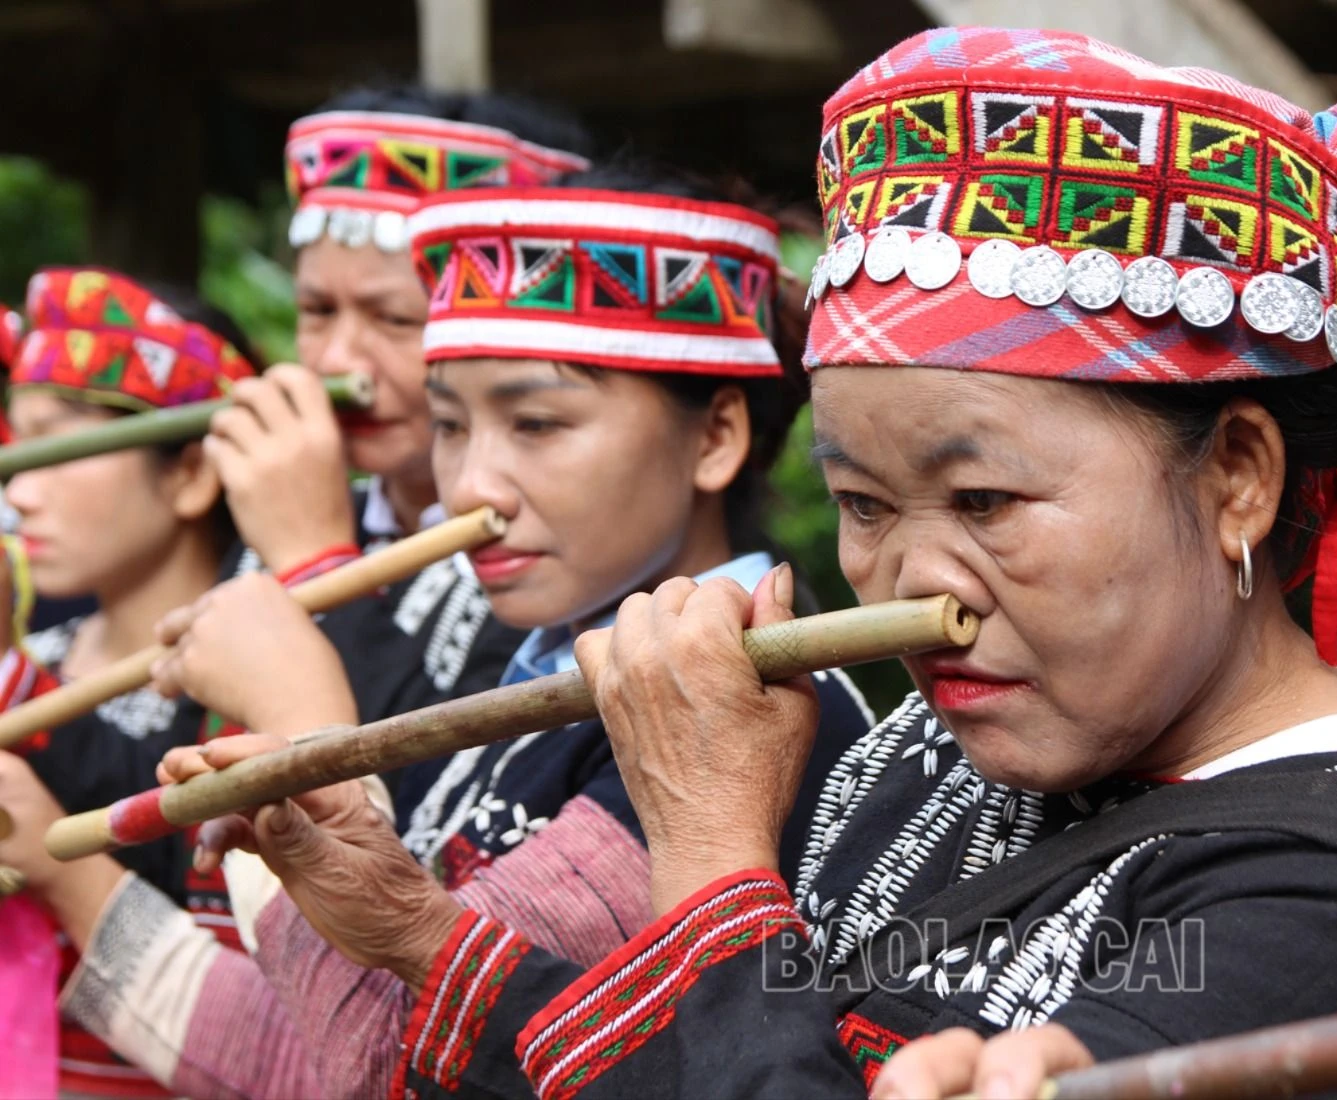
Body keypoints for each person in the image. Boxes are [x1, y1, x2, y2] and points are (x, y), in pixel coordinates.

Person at [139, 27, 1337, 1100]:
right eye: (860, 502)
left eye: (984, 496)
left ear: (1240, 475)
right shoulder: (932, 753)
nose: (921, 583)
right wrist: (414, 931)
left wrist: (719, 863)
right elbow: (694, 1067)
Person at [0, 168, 872, 1098]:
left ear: (716, 437)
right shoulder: (553, 669)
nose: (471, 489)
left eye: (536, 423)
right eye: (451, 425)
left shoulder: (745, 704)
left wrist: (299, 724)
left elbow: (370, 1066)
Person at [208, 87, 593, 738]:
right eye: (317, 311)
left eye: (393, 319)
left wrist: (316, 568)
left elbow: (411, 806)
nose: (340, 363)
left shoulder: (553, 564)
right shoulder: (295, 506)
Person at [0, 267, 261, 1096]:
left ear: (189, 473)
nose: (20, 491)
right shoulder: (35, 647)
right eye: (15, 445)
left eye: (61, 444)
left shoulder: (256, 688)